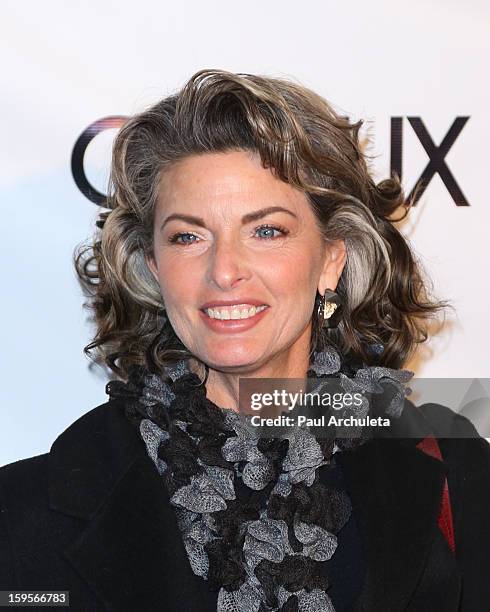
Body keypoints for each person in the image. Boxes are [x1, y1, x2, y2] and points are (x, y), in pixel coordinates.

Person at [1, 69, 489, 612]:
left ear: (332, 259)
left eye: (266, 231)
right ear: (152, 267)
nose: (224, 270)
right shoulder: (21, 518)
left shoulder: (456, 478)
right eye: (188, 236)